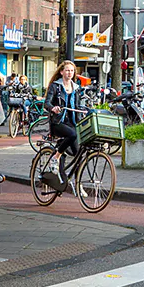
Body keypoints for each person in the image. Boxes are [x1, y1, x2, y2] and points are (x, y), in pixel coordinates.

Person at [43, 61, 86, 193]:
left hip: (72, 123)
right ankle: (56, 157)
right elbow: (47, 103)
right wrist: (53, 108)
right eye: (67, 70)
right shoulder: (56, 86)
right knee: (72, 135)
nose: (69, 73)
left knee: (78, 153)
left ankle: (78, 184)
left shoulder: (76, 88)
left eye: (72, 71)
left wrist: (84, 111)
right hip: (58, 123)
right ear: (62, 72)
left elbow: (78, 105)